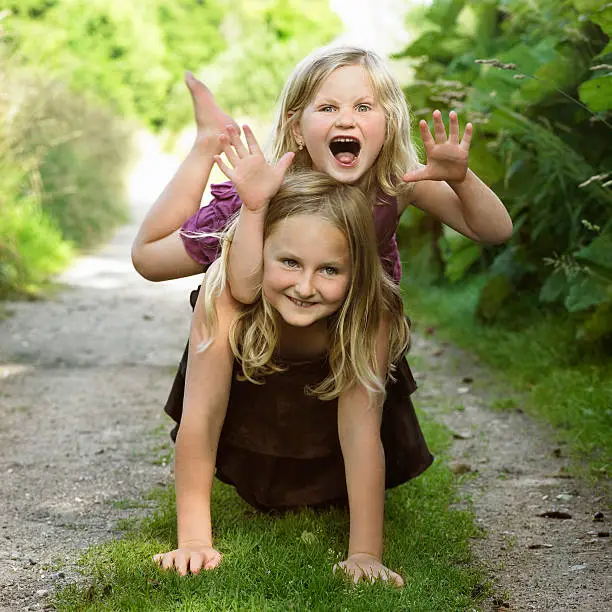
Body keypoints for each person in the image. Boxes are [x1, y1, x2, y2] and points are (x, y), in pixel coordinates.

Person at [132, 44, 513, 581]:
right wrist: (250, 199)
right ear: (296, 124)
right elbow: (230, 285)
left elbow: (494, 231)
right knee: (155, 261)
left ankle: (340, 505)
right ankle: (204, 143)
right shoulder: (266, 192)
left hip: (348, 318)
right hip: (258, 281)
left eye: (363, 106)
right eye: (328, 108)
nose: (346, 120)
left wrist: (458, 177)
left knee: (360, 395)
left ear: (389, 121)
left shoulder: (393, 182)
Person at [154, 162, 429, 587]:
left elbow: (360, 430)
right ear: (260, 250)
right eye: (289, 262)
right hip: (253, 433)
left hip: (335, 449)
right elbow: (203, 416)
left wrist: (364, 554)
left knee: (352, 443)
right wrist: (193, 541)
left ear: (355, 271)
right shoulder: (225, 293)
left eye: (329, 270)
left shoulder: (370, 310)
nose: (305, 286)